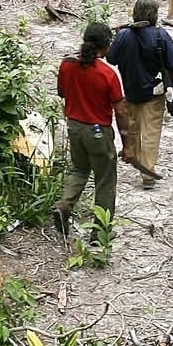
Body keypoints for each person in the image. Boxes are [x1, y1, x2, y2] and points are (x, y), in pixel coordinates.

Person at [52, 21, 126, 236]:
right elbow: (120, 111)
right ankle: (101, 232)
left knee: (79, 169)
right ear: (106, 46)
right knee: (104, 180)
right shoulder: (107, 74)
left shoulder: (67, 64)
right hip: (98, 132)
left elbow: (62, 93)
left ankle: (64, 204)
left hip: (74, 127)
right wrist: (127, 144)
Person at [106, 0, 173, 189]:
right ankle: (147, 172)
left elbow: (111, 59)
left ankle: (135, 159)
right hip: (154, 93)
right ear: (154, 14)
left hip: (130, 91)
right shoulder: (160, 35)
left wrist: (118, 33)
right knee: (150, 133)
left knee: (132, 129)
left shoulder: (124, 35)